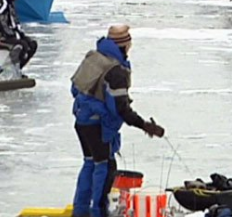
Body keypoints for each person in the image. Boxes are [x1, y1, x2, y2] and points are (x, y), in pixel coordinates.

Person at [70, 25, 165, 217]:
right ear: (124, 45)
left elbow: (74, 88)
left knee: (90, 163)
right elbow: (121, 109)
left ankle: (80, 210)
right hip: (98, 125)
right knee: (105, 167)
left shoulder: (93, 57)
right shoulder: (116, 71)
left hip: (81, 121)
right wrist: (144, 125)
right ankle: (98, 212)